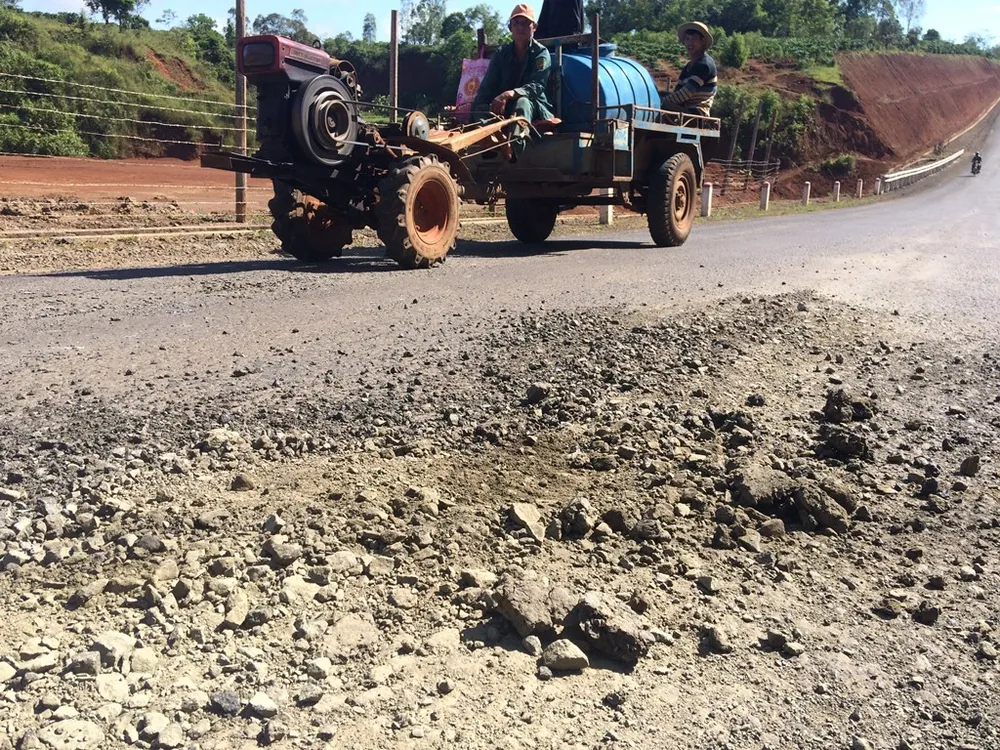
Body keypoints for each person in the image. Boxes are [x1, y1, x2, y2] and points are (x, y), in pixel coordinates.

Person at [472, 3, 557, 158]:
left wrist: (509, 94)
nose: (520, 27)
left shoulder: (541, 53)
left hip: (534, 106)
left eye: (525, 23)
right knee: (480, 107)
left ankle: (515, 147)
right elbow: (487, 86)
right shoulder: (501, 54)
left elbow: (537, 87)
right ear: (510, 27)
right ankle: (495, 139)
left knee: (522, 102)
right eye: (516, 23)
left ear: (534, 27)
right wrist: (475, 109)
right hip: (505, 107)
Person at [662, 21, 717, 117]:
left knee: (661, 104)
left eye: (694, 39)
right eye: (687, 39)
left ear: (702, 41)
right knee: (660, 95)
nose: (690, 43)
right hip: (685, 109)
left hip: (696, 113)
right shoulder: (688, 67)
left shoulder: (705, 65)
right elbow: (677, 92)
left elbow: (685, 94)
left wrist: (660, 101)